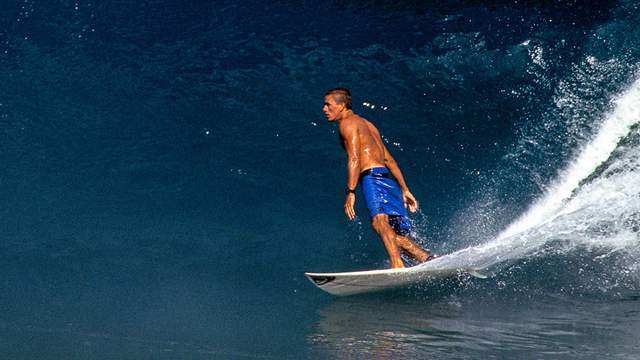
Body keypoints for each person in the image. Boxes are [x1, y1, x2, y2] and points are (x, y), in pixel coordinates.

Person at [323, 87, 431, 268]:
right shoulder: (368, 125)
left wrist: (351, 191)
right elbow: (388, 158)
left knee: (379, 222)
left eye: (328, 104)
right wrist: (404, 189)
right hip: (388, 179)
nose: (324, 109)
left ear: (341, 106)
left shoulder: (347, 124)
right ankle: (424, 257)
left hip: (372, 179)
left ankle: (397, 264)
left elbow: (354, 158)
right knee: (391, 233)